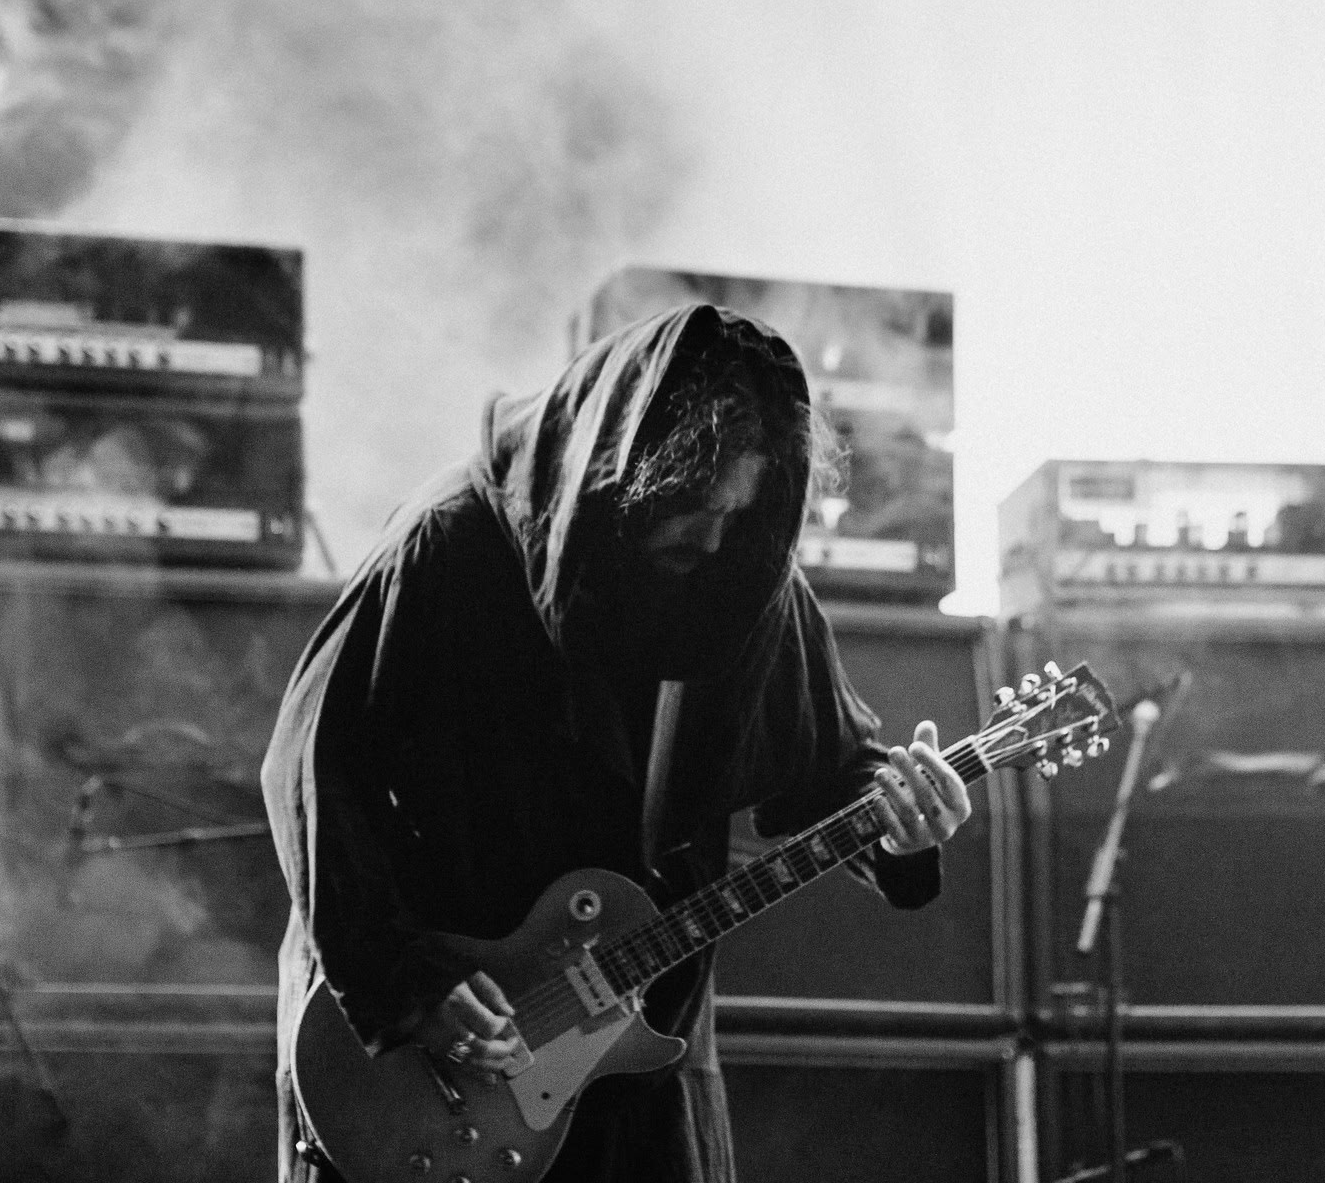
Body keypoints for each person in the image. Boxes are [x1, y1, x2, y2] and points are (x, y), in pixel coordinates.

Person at [260, 304, 972, 1183]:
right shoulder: (450, 544)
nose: (714, 537)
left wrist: (900, 823)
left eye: (737, 511)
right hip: (434, 1053)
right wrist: (409, 984)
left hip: (638, 1052)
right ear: (618, 480)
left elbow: (832, 763)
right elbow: (314, 768)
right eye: (692, 508)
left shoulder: (740, 576)